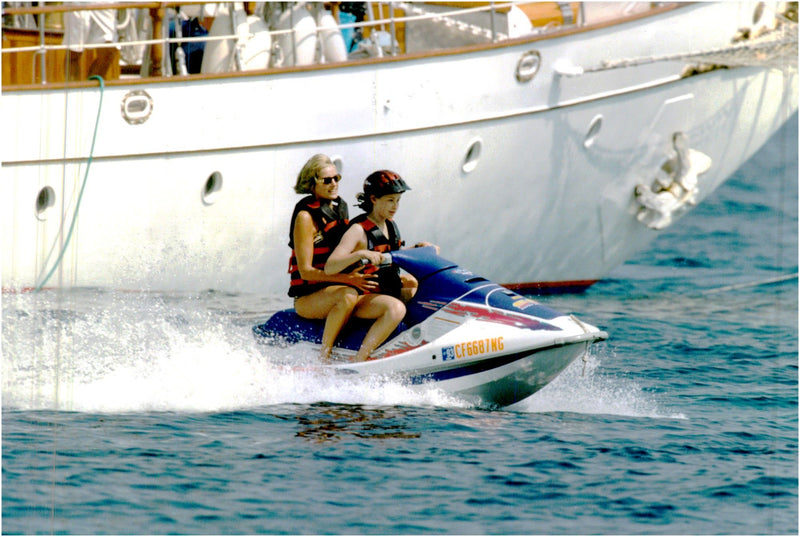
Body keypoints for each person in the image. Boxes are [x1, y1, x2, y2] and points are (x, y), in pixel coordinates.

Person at [288, 154, 400, 363]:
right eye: (326, 180)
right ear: (312, 184)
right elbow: (306, 271)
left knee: (399, 292)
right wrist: (348, 280)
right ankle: (325, 357)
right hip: (309, 295)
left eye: (336, 178)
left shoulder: (339, 207)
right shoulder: (305, 217)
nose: (334, 184)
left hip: (337, 285)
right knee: (347, 295)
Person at [325, 170, 436, 358]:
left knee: (420, 289)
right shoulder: (357, 230)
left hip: (385, 290)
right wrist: (360, 253)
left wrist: (419, 248)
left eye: (398, 201)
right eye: (390, 200)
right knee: (396, 308)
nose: (395, 206)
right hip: (363, 297)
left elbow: (391, 254)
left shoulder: (389, 225)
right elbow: (330, 267)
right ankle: (360, 359)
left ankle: (419, 343)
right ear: (374, 199)